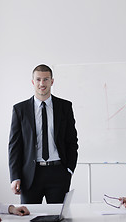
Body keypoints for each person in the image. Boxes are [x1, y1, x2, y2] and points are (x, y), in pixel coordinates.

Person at [8, 64, 78, 204]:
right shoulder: (20, 109)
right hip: (30, 175)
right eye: (38, 79)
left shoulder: (65, 107)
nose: (42, 83)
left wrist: (69, 170)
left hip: (58, 173)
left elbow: (72, 141)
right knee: (29, 220)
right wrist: (15, 177)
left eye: (46, 79)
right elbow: (15, 146)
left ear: (52, 81)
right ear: (33, 82)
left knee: (58, 220)